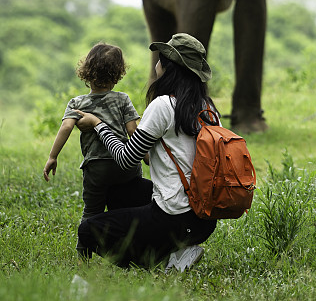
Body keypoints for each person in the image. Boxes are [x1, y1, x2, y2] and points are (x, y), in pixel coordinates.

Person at [73, 33, 219, 271]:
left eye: (160, 60)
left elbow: (125, 159)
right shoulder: (208, 109)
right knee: (119, 192)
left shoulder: (163, 105)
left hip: (174, 218)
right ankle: (178, 248)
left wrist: (99, 125)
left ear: (169, 68)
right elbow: (161, 158)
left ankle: (162, 259)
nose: (157, 65)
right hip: (204, 218)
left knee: (89, 230)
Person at [43, 42, 152, 253]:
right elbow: (133, 131)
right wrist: (146, 156)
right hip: (126, 166)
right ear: (118, 74)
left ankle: (83, 256)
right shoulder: (122, 100)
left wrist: (52, 156)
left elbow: (66, 126)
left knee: (91, 212)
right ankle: (127, 249)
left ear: (86, 71)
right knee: (125, 210)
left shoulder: (78, 103)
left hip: (96, 168)